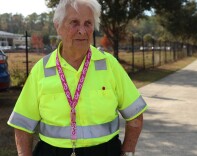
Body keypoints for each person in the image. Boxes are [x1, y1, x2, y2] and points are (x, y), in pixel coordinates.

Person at [7, 0, 147, 155]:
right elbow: (22, 124)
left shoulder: (109, 65)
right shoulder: (42, 69)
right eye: (74, 22)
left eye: (88, 23)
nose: (82, 30)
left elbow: (135, 114)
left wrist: (127, 152)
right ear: (58, 26)